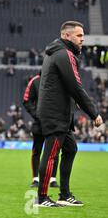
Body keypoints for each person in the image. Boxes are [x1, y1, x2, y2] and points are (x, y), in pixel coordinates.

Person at [35, 21, 103, 207]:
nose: (83, 39)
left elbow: (60, 85)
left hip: (57, 112)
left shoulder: (56, 52)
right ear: (66, 36)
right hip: (55, 113)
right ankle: (41, 198)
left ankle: (64, 195)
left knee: (71, 149)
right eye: (79, 35)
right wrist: (94, 113)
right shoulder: (65, 54)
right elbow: (75, 87)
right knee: (50, 154)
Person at [22, 72, 59, 188]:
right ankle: (36, 179)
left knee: (55, 152)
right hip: (40, 123)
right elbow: (26, 101)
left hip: (54, 122)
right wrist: (36, 115)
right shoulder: (35, 81)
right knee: (37, 151)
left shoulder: (58, 80)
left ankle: (52, 179)